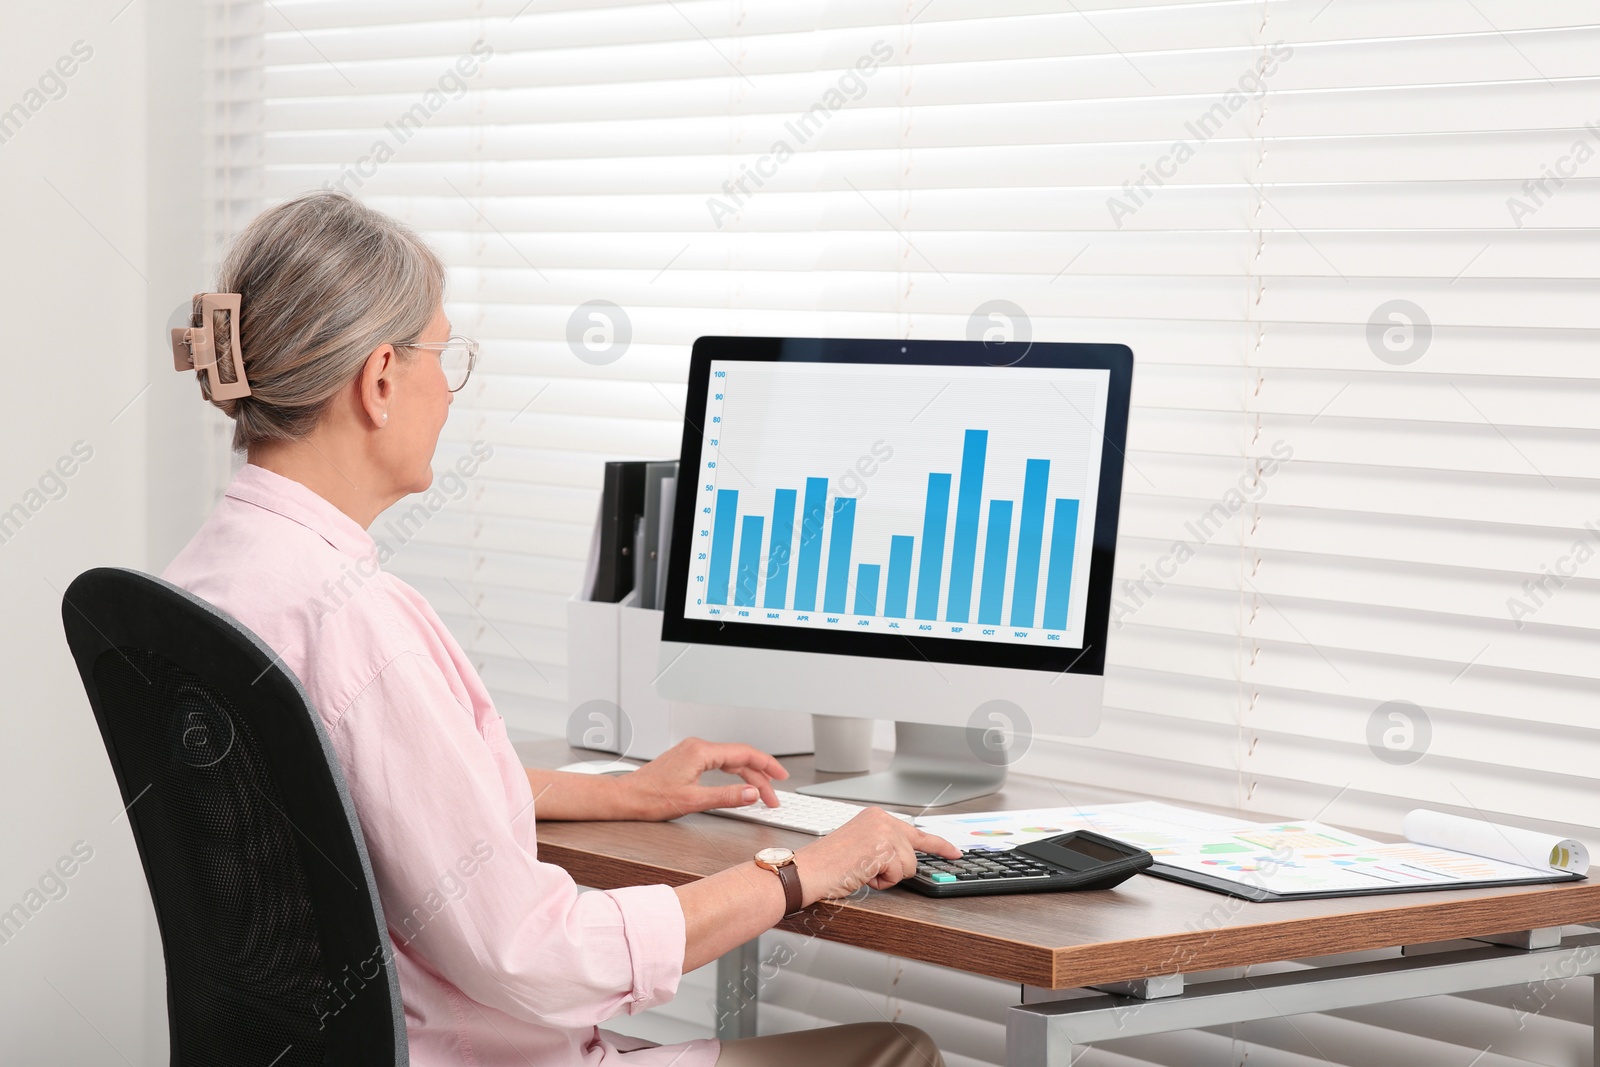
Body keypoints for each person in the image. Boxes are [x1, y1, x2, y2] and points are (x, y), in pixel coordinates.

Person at [163, 190, 961, 1067]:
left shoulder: (208, 578)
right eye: (445, 354)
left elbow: (375, 796)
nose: (450, 391)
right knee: (900, 1049)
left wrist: (623, 793)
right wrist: (797, 871)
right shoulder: (357, 623)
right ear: (381, 378)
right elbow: (533, 954)